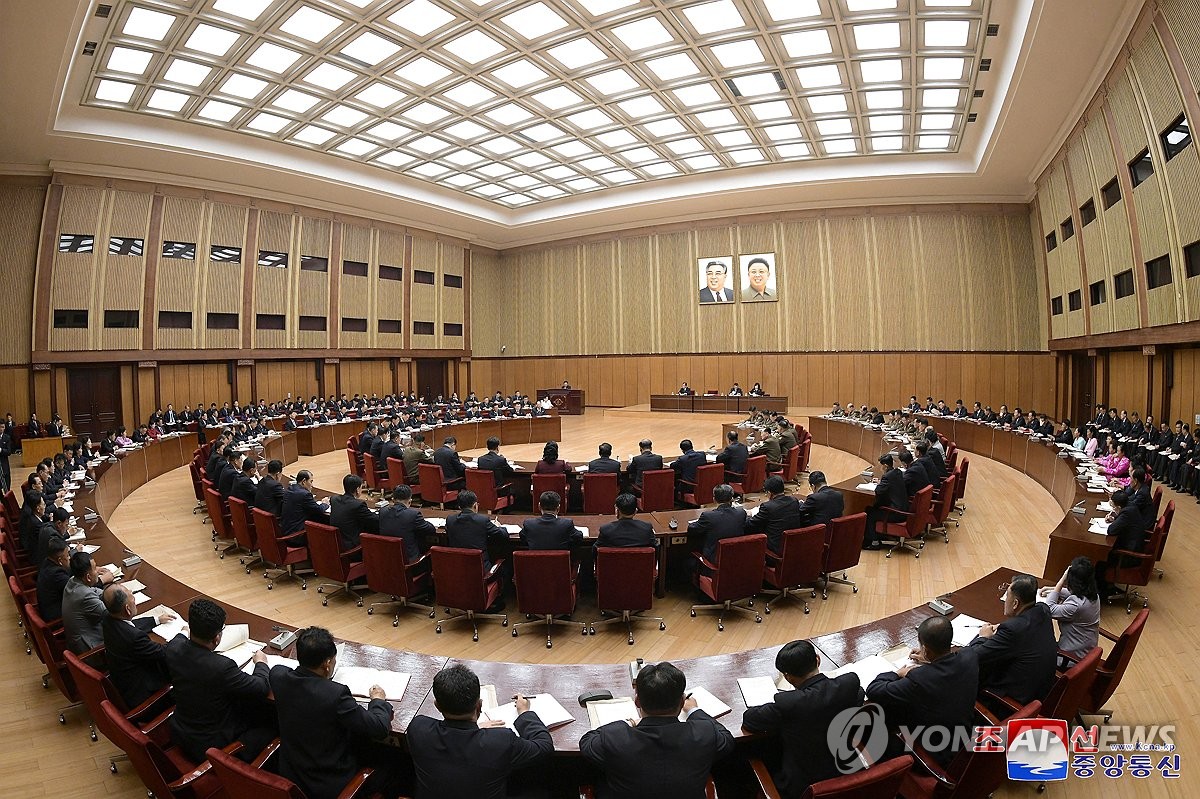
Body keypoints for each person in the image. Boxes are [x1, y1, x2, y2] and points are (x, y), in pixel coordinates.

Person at [271, 627, 402, 799]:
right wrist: (378, 701)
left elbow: (284, 671)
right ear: (326, 664)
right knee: (398, 767)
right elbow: (378, 728)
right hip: (330, 785)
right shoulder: (335, 694)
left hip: (291, 774)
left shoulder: (277, 675)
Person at [581, 661, 733, 799]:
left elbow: (587, 742)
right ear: (682, 702)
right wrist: (694, 710)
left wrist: (630, 722)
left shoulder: (615, 737)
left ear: (637, 702)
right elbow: (726, 739)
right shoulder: (704, 732)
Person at [408, 664, 553, 799]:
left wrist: (476, 731)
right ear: (480, 705)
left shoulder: (418, 729)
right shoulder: (500, 741)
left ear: (437, 706)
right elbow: (544, 746)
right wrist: (524, 713)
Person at [741, 640, 865, 796]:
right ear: (818, 660)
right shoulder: (848, 685)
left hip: (803, 789)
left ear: (788, 677)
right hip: (850, 778)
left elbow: (750, 719)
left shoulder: (790, 704)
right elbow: (859, 694)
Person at [165, 599, 275, 763]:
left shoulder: (173, 647)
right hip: (211, 745)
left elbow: (180, 639)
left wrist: (185, 631)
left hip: (181, 730)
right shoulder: (222, 667)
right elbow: (261, 686)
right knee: (272, 721)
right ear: (217, 638)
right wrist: (261, 663)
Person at [867, 616, 980, 768]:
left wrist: (898, 674)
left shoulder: (919, 679)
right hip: (962, 739)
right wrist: (931, 661)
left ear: (925, 649)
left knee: (876, 721)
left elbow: (874, 690)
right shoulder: (970, 657)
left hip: (932, 756)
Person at [970, 574, 1057, 705]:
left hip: (1014, 702)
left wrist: (982, 637)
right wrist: (1002, 627)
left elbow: (974, 656)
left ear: (1015, 603)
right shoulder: (1043, 609)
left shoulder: (1013, 630)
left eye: (1007, 597)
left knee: (968, 674)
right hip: (1041, 691)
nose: (1005, 601)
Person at [100, 584, 173, 709]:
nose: (134, 598)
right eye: (132, 597)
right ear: (128, 609)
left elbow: (130, 625)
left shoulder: (107, 617)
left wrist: (156, 620)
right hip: (145, 698)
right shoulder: (134, 638)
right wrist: (183, 634)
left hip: (123, 681)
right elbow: (163, 652)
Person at [1039, 556, 1101, 659]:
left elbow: (1049, 608)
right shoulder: (1094, 596)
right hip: (1085, 651)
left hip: (1070, 657)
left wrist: (1062, 579)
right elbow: (1074, 593)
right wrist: (1053, 589)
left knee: (1031, 645)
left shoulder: (1076, 605)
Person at [1096, 489, 1147, 597]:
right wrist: (1114, 518)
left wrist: (1114, 521)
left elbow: (1111, 530)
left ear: (1119, 507)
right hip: (1133, 547)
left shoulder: (1126, 512)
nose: (1113, 509)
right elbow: (1122, 522)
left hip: (1129, 556)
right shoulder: (1130, 506)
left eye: (1114, 507)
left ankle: (1101, 592)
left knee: (1099, 560)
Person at [62, 551, 115, 653]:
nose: (97, 572)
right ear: (88, 577)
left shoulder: (73, 580)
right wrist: (124, 598)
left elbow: (96, 591)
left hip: (78, 641)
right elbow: (113, 615)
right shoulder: (85, 595)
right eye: (95, 569)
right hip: (92, 651)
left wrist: (113, 593)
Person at [445, 491, 510, 574]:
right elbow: (503, 535)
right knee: (506, 568)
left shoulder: (450, 519)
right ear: (475, 505)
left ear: (459, 506)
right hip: (481, 572)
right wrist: (498, 527)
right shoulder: (482, 520)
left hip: (457, 570)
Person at [688, 484, 747, 563]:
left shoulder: (708, 516)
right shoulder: (741, 513)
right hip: (735, 559)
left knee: (687, 564)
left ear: (714, 499)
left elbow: (692, 529)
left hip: (713, 561)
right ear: (732, 498)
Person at [378, 484, 435, 562]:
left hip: (388, 560)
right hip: (410, 562)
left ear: (393, 500)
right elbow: (431, 530)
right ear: (410, 501)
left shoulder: (382, 511)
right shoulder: (414, 515)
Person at [746, 476, 802, 554]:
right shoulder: (794, 501)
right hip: (791, 547)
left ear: (769, 493)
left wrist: (745, 515)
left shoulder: (767, 507)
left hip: (774, 551)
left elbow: (751, 524)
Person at [862, 454, 908, 549]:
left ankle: (874, 542)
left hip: (896, 513)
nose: (880, 468)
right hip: (904, 508)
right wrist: (881, 483)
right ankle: (878, 536)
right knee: (872, 509)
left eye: (881, 466)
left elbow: (878, 491)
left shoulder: (887, 477)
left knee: (869, 513)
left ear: (885, 466)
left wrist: (881, 484)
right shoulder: (897, 472)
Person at [329, 474, 378, 551]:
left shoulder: (334, 499)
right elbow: (373, 519)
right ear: (357, 489)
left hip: (337, 544)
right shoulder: (358, 505)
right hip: (352, 548)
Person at [280, 470, 330, 542]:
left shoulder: (289, 489)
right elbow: (318, 509)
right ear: (304, 481)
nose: (312, 485)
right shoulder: (304, 494)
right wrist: (325, 503)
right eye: (311, 481)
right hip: (296, 536)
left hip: (286, 531)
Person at [35, 537, 71, 622]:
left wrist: (86, 569)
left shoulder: (47, 561)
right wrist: (100, 580)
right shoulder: (57, 574)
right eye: (67, 555)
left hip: (49, 607)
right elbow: (78, 590)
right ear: (60, 560)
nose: (69, 558)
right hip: (57, 618)